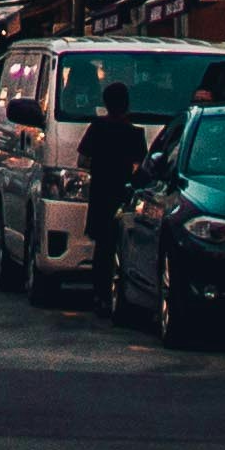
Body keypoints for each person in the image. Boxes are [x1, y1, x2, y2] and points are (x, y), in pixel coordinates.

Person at [71, 82, 146, 314]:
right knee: (121, 245)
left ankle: (99, 294)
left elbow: (82, 161)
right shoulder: (135, 133)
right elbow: (141, 167)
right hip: (123, 195)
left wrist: (100, 166)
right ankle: (118, 292)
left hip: (101, 192)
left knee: (102, 247)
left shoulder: (96, 128)